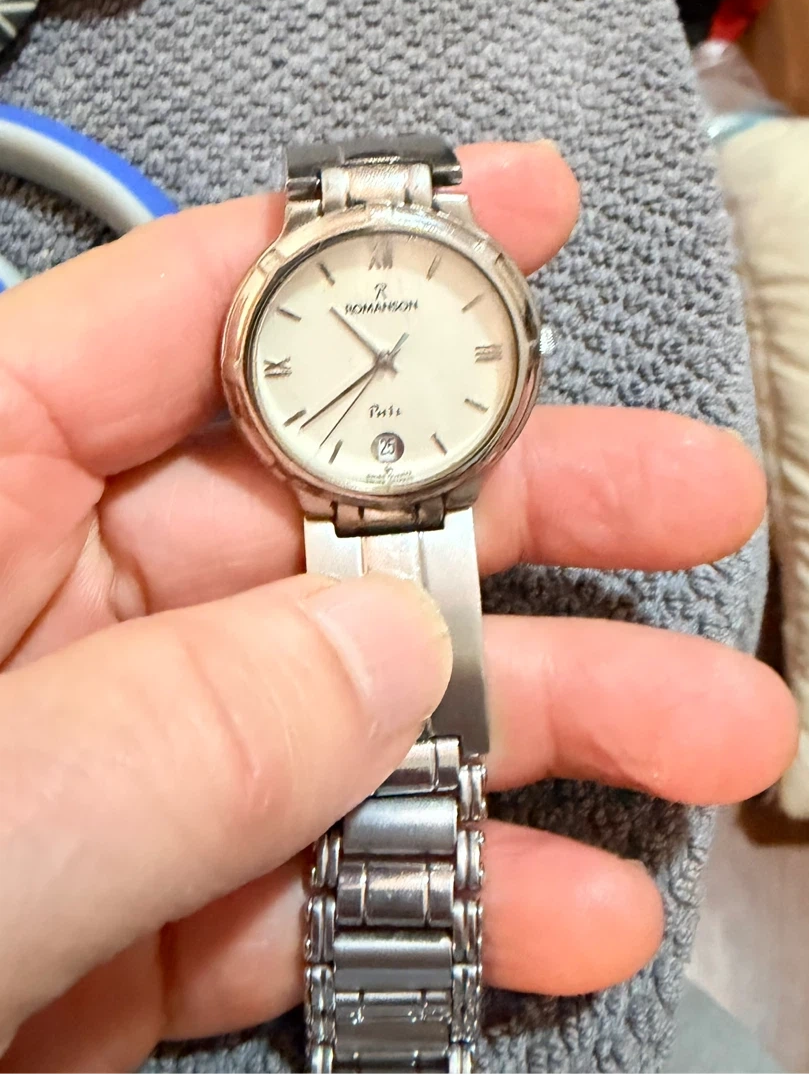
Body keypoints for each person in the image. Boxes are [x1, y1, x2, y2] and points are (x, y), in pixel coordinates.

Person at [0, 141, 796, 1074]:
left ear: (522, 358)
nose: (381, 357)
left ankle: (388, 1013)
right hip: (340, 477)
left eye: (390, 349)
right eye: (371, 351)